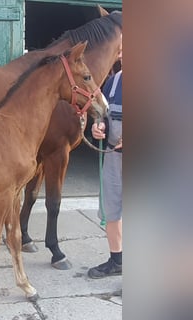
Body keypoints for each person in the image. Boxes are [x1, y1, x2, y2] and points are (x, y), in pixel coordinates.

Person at [88, 49, 122, 279]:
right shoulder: (113, 82)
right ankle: (117, 260)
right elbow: (104, 115)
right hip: (113, 156)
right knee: (112, 210)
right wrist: (98, 128)